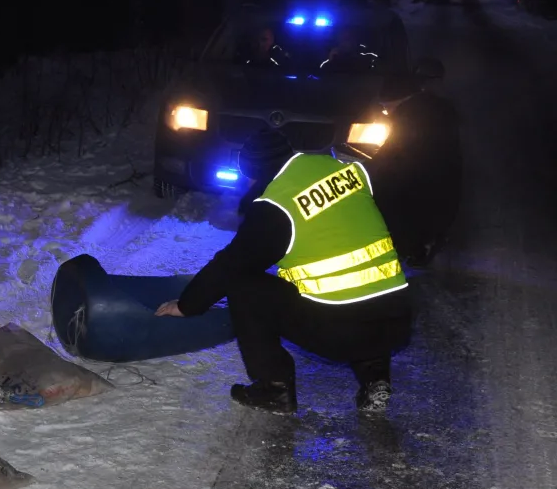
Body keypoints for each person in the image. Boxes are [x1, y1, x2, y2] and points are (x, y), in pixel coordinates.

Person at [155, 125, 413, 415]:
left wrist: (187, 305)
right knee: (363, 295)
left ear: (254, 171)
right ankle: (375, 376)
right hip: (398, 319)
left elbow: (231, 264)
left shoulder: (277, 205)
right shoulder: (344, 169)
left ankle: (274, 388)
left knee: (245, 287)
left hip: (342, 332)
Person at [368, 68, 461, 265]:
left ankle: (412, 251)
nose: (385, 111)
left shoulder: (406, 116)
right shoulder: (439, 106)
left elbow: (392, 151)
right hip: (447, 174)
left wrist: (369, 168)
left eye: (385, 107)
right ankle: (429, 242)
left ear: (396, 100)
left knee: (395, 203)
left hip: (419, 180)